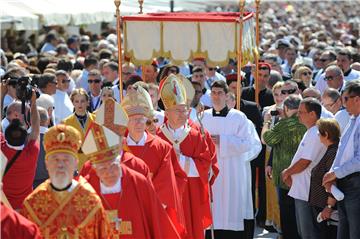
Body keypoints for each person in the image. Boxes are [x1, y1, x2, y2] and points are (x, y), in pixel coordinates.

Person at [82, 122, 181, 239]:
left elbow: (157, 221)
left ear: (120, 161)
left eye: (113, 166)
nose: (109, 172)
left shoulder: (138, 183)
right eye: (103, 168)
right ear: (95, 169)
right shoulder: (84, 189)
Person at [20, 124, 109, 238]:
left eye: (66, 159)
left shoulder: (91, 202)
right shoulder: (33, 204)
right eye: (55, 159)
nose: (60, 165)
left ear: (76, 163)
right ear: (46, 163)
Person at [121, 85, 186, 236]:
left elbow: (167, 179)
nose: (138, 123)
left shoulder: (161, 147)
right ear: (126, 122)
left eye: (141, 119)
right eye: (133, 120)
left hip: (156, 206)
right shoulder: (119, 148)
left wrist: (151, 203)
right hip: (126, 208)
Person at [202, 80, 262, 239]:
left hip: (232, 170)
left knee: (231, 207)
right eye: (213, 93)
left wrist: (223, 140)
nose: (216, 96)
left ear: (227, 95)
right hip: (210, 170)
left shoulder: (239, 117)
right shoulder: (203, 117)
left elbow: (248, 144)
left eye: (219, 93)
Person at [157, 73, 212, 239]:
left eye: (185, 110)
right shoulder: (157, 137)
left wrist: (178, 158)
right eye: (178, 110)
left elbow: (205, 166)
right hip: (165, 197)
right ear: (166, 113)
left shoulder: (196, 136)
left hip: (190, 194)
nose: (183, 114)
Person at [282, 98, 327, 239]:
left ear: (313, 114)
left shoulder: (315, 133)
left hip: (308, 190)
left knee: (309, 232)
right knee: (304, 231)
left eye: (301, 112)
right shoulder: (311, 131)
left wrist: (287, 172)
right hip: (302, 189)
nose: (298, 115)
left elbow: (305, 161)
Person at [262, 95, 305, 239]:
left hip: (285, 177)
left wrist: (267, 121)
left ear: (286, 108)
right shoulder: (305, 122)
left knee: (287, 216)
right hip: (303, 175)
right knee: (300, 215)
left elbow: (265, 139)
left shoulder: (284, 125)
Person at [322, 81, 360, 239]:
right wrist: (332, 175)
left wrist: (335, 174)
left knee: (355, 231)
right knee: (344, 230)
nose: (343, 104)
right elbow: (341, 151)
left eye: (345, 99)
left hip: (356, 184)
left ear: (357, 99)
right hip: (346, 183)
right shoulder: (353, 119)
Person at [1, 89, 40, 210]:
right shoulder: (31, 152)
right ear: (25, 137)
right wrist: (33, 103)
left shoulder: (1, 149)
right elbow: (36, 128)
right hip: (23, 208)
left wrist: (2, 94)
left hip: (3, 208)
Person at [309, 118, 340, 239]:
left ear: (326, 134)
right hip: (321, 206)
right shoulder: (331, 149)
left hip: (326, 210)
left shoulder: (334, 152)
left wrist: (329, 207)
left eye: (318, 132)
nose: (317, 135)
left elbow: (333, 181)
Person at [61, 88, 96, 170]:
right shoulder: (66, 122)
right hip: (76, 164)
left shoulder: (96, 119)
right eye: (76, 101)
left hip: (94, 162)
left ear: (88, 102)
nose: (80, 104)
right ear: (72, 103)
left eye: (83, 101)